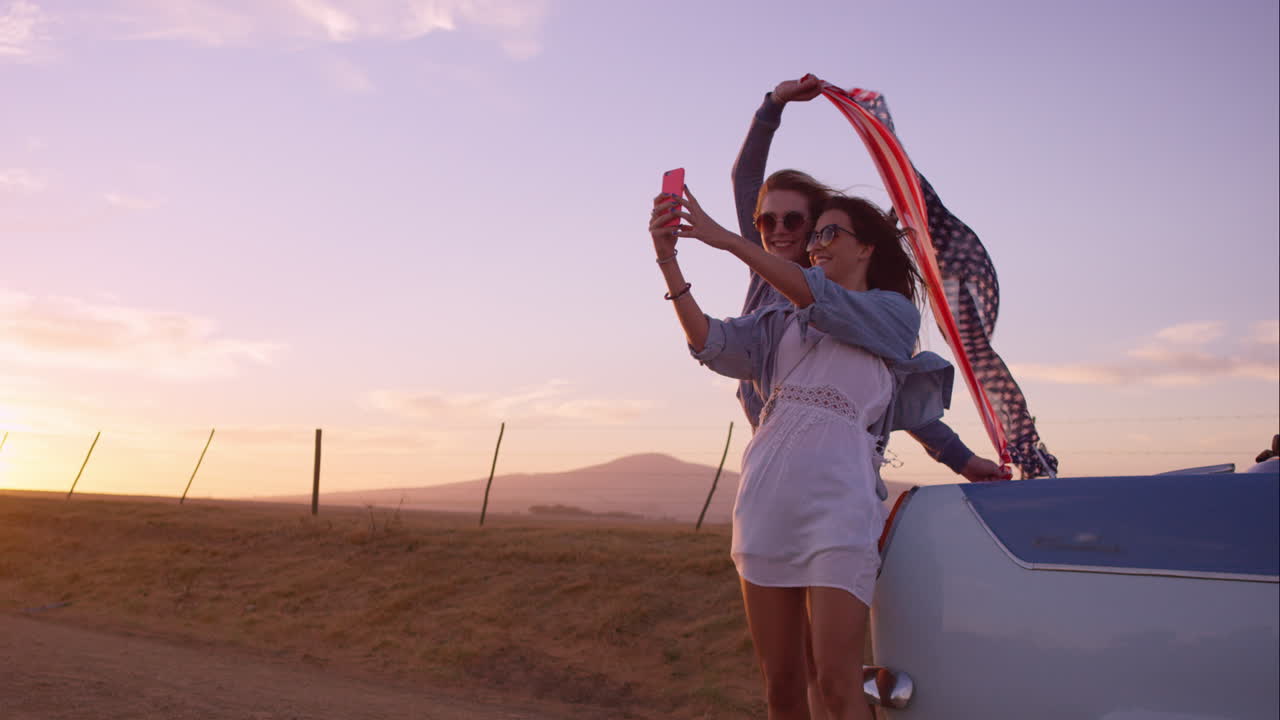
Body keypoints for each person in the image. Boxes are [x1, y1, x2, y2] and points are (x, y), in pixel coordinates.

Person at [732, 76, 1003, 719]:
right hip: (774, 482)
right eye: (767, 221)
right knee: (786, 676)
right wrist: (773, 106)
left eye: (798, 224)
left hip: (837, 481)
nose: (779, 231)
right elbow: (747, 181)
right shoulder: (767, 276)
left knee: (833, 677)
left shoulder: (853, 304)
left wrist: (962, 459)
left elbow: (893, 391)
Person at [648, 186, 953, 720]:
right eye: (814, 236)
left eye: (829, 232)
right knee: (782, 686)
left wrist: (728, 240)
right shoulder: (780, 323)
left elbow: (821, 298)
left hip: (840, 508)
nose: (815, 243)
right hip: (765, 502)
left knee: (836, 682)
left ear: (867, 248)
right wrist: (668, 261)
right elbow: (709, 343)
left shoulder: (892, 314)